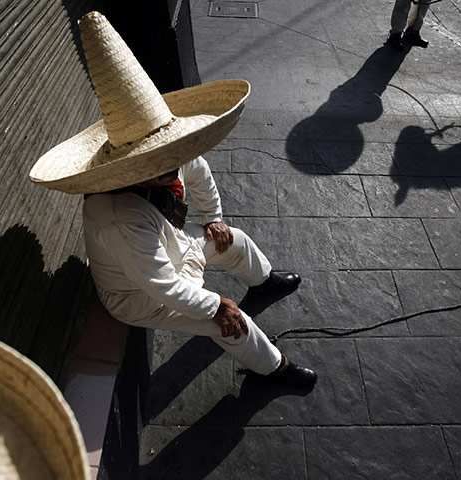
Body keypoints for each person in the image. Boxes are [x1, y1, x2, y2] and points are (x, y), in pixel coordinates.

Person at [29, 12, 316, 388]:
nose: (172, 166)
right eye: (158, 162)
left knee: (235, 240)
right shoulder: (120, 217)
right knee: (231, 323)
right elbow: (163, 285)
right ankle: (275, 371)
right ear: (130, 166)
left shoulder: (173, 159)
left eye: (171, 156)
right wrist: (217, 305)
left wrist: (214, 218)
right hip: (138, 294)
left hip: (170, 246)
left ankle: (262, 281)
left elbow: (199, 174)